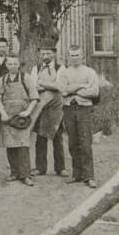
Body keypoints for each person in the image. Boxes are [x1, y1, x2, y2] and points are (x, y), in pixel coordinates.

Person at [57, 45, 100, 188]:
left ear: (83, 57)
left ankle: (89, 176)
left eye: (77, 55)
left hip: (84, 109)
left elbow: (94, 92)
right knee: (73, 142)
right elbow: (63, 90)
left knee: (85, 142)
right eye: (72, 55)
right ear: (67, 57)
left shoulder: (90, 72)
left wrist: (74, 90)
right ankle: (77, 174)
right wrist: (82, 87)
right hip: (69, 109)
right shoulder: (64, 73)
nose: (74, 58)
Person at [0, 54, 39, 185]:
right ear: (6, 65)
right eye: (10, 64)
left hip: (22, 119)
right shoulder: (2, 80)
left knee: (23, 145)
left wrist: (28, 112)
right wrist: (3, 113)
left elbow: (34, 98)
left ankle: (25, 175)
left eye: (15, 64)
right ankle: (14, 172)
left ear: (18, 64)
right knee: (10, 145)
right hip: (8, 118)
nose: (12, 66)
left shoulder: (26, 78)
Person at [29, 43, 68, 176]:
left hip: (56, 107)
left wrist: (42, 83)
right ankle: (40, 167)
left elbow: (60, 86)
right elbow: (33, 87)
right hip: (41, 106)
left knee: (57, 137)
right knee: (40, 137)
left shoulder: (61, 68)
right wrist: (50, 85)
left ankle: (60, 168)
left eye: (48, 53)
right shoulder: (36, 68)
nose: (45, 56)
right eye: (43, 53)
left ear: (54, 54)